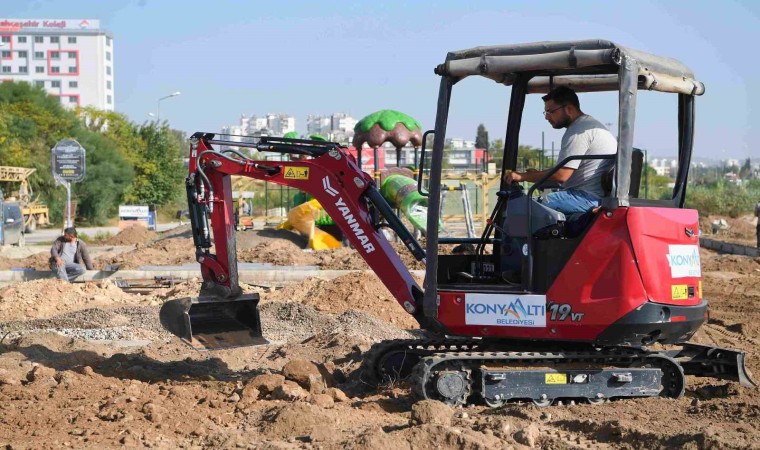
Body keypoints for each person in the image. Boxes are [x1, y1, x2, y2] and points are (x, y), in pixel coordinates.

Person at [503, 86, 617, 215]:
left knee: (522, 209)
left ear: (569, 109)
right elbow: (564, 174)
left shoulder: (578, 131)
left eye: (551, 111)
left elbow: (561, 175)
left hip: (585, 198)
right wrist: (537, 175)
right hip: (592, 197)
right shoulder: (590, 126)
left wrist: (522, 176)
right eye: (545, 112)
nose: (547, 117)